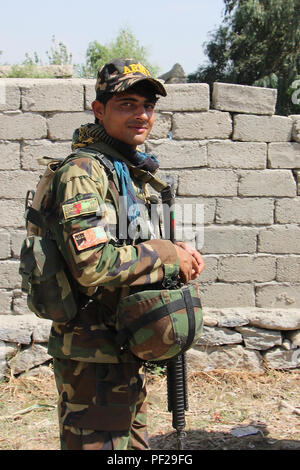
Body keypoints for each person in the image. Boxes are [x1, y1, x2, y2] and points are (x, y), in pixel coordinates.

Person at [46, 58, 205, 450]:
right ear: (99, 110)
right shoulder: (84, 171)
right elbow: (91, 264)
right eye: (127, 104)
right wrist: (167, 255)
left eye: (148, 105)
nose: (141, 114)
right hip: (92, 357)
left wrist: (176, 249)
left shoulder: (122, 169)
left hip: (121, 346)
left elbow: (127, 240)